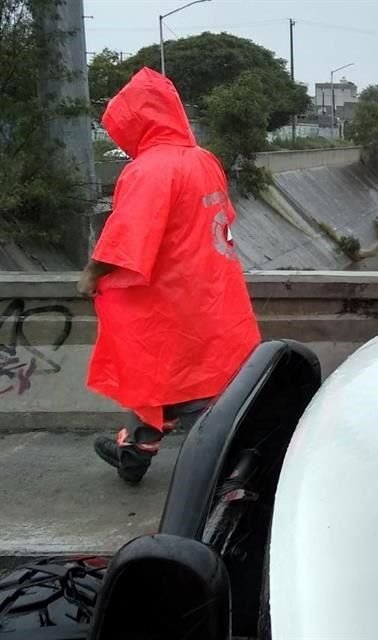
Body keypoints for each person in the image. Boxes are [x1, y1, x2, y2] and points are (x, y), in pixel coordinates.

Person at [79, 68, 261, 483]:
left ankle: (228, 475)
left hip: (169, 300)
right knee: (182, 379)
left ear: (137, 120)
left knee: (176, 383)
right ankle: (135, 452)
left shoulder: (150, 170)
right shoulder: (203, 160)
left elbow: (126, 236)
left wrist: (91, 273)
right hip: (210, 292)